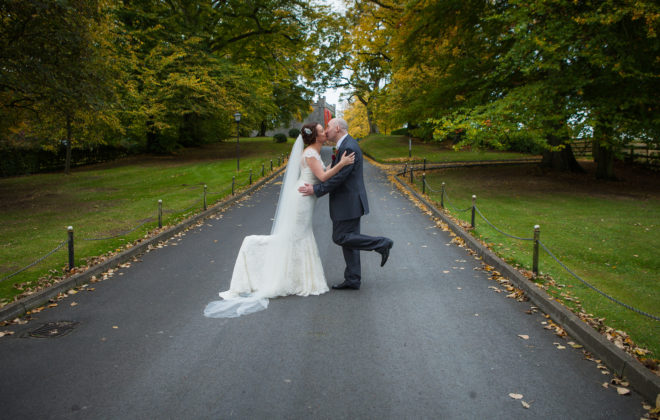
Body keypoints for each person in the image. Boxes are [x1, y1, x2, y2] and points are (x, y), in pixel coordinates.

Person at [204, 123, 355, 318]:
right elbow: (323, 177)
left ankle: (298, 278)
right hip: (302, 200)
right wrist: (341, 164)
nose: (325, 132)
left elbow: (320, 173)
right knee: (295, 236)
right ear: (316, 137)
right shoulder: (310, 153)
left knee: (298, 236)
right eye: (321, 130)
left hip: (306, 198)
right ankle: (252, 247)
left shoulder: (312, 152)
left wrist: (333, 164)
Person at [299, 118, 393, 290]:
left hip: (347, 202)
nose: (326, 130)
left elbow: (339, 179)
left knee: (340, 237)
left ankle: (382, 243)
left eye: (328, 127)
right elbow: (335, 173)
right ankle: (353, 278)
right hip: (349, 201)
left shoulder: (348, 146)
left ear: (337, 128)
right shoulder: (345, 145)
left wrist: (317, 189)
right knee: (350, 240)